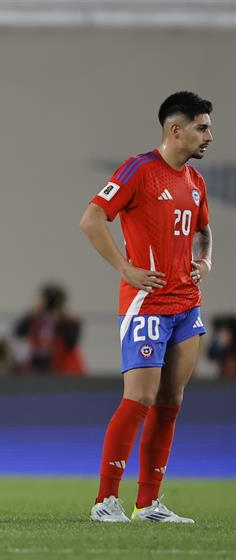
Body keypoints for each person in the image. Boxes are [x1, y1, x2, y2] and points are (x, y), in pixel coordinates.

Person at [80, 91, 213, 524]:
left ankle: (148, 504)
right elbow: (92, 218)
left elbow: (203, 231)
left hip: (185, 306)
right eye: (202, 127)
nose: (209, 136)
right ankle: (105, 501)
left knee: (170, 401)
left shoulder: (195, 183)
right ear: (176, 130)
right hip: (147, 305)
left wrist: (205, 259)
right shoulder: (139, 170)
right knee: (139, 398)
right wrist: (125, 268)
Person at [13, 283, 85, 375]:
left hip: (62, 370)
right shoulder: (34, 318)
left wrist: (60, 321)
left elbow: (71, 343)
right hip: (35, 368)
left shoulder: (68, 321)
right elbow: (18, 332)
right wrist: (33, 313)